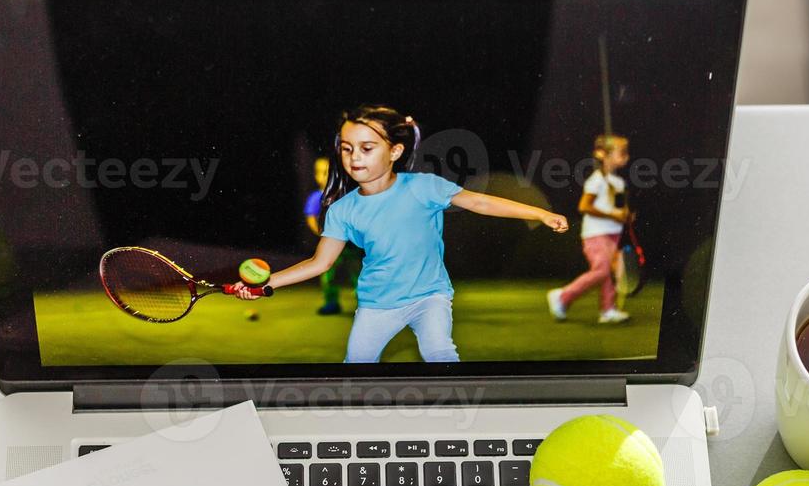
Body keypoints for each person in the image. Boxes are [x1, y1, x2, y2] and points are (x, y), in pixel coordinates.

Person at [234, 105, 569, 363]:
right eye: (347, 149)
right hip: (377, 305)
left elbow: (479, 201)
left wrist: (539, 213)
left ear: (395, 151)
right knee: (356, 368)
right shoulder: (343, 210)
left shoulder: (424, 187)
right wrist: (264, 285)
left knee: (440, 353)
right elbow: (319, 263)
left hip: (429, 297)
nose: (354, 157)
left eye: (367, 148)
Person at [548, 134, 633, 325]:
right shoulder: (596, 180)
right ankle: (562, 296)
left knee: (609, 273)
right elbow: (584, 206)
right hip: (595, 234)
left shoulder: (618, 183)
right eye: (622, 152)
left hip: (613, 233)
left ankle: (608, 310)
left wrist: (625, 215)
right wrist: (614, 215)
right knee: (602, 271)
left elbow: (618, 209)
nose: (626, 156)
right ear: (604, 155)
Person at [302, 157, 344, 316]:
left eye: (330, 172)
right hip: (329, 244)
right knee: (329, 274)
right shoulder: (316, 197)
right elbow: (311, 217)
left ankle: (366, 303)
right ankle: (331, 302)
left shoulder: (343, 194)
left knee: (358, 273)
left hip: (351, 244)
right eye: (323, 173)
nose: (326, 176)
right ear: (316, 176)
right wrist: (320, 234)